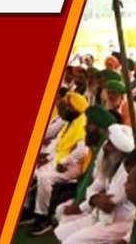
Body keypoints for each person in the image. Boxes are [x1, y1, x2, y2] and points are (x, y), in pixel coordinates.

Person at [53, 125, 136, 244]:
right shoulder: (110, 164)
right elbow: (94, 187)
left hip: (119, 223)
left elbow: (107, 205)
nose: (106, 147)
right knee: (63, 231)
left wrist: (95, 200)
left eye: (110, 145)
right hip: (100, 215)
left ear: (120, 152)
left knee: (74, 243)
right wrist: (93, 200)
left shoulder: (126, 173)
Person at [23, 92, 89, 233]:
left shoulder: (82, 125)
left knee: (44, 178)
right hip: (59, 161)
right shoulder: (69, 124)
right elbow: (60, 146)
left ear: (74, 110)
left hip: (72, 166)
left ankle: (42, 217)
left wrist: (63, 162)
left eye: (66, 108)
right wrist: (47, 158)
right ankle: (28, 208)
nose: (63, 111)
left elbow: (82, 151)